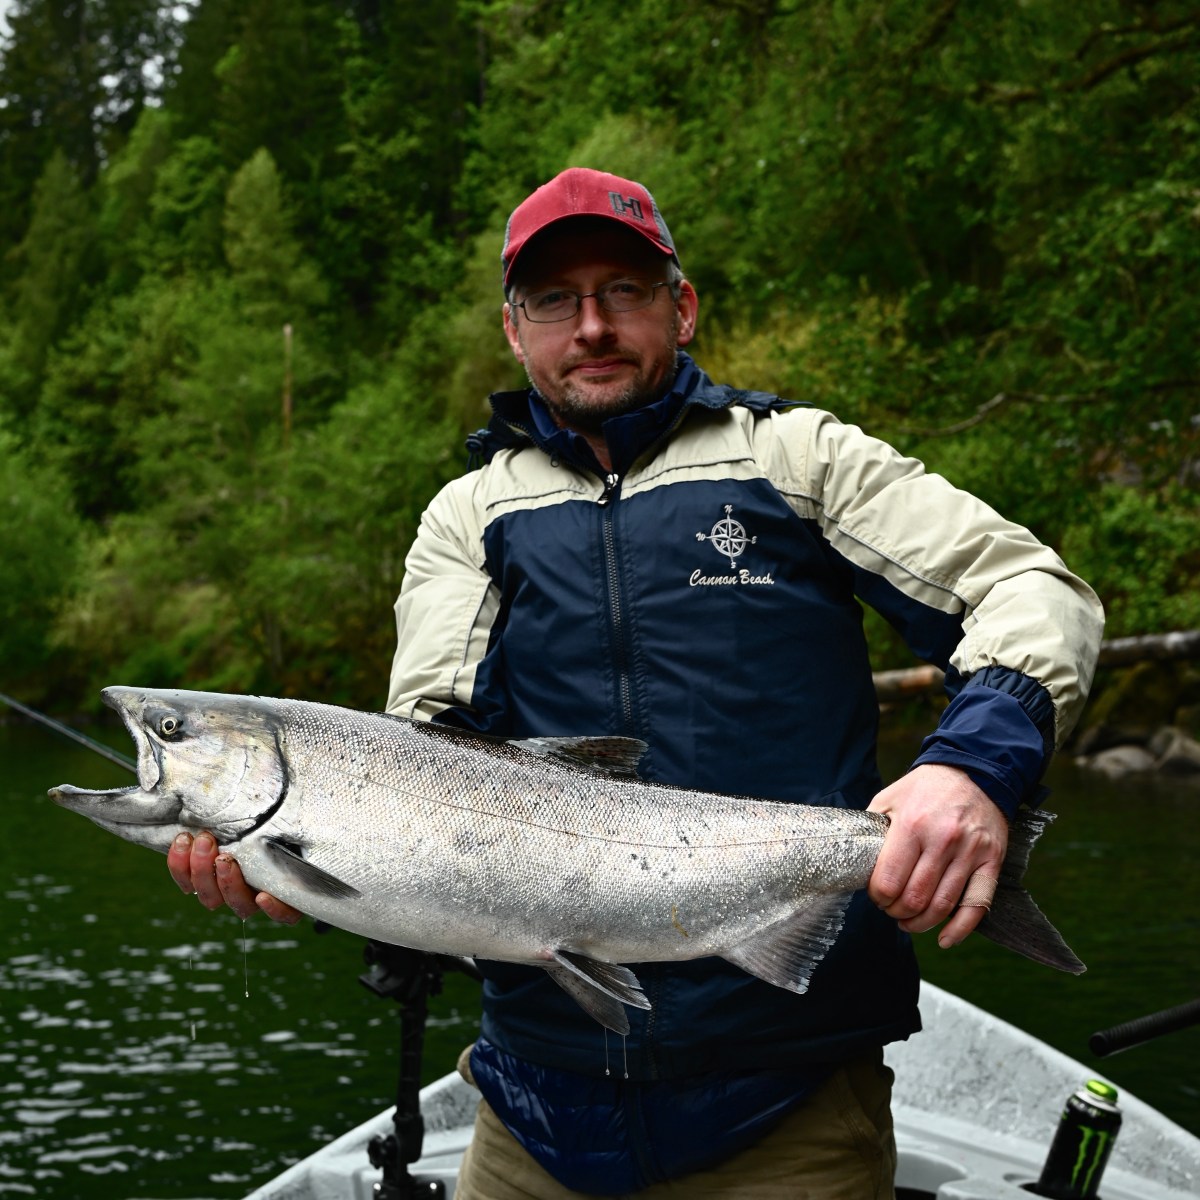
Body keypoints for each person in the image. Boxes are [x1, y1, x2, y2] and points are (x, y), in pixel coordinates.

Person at [169, 168, 1104, 1198]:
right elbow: (422, 748)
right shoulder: (466, 517)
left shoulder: (799, 458)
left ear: (682, 306)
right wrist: (312, 861)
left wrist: (973, 768)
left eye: (623, 291)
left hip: (791, 1113)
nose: (593, 327)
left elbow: (1029, 588)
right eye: (556, 302)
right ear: (514, 331)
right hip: (529, 1116)